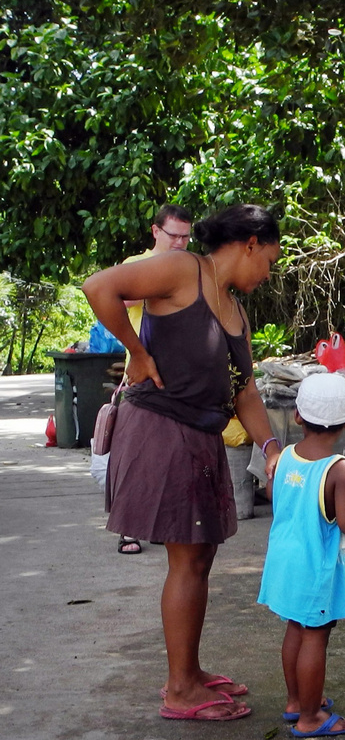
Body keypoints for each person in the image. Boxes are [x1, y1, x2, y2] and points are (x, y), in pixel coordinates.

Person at [82, 204, 285, 722]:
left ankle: (190, 672)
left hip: (201, 437)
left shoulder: (236, 312)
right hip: (161, 429)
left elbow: (247, 395)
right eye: (269, 261)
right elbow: (98, 286)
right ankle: (179, 690)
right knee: (186, 561)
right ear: (252, 243)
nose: (267, 274)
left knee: (199, 559)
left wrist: (270, 448)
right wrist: (137, 351)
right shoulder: (182, 269)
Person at [256, 373, 345, 737]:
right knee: (316, 635)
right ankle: (310, 719)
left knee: (294, 626)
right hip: (314, 565)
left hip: (283, 559)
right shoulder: (340, 469)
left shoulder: (285, 455)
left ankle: (296, 701)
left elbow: (274, 494)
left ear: (298, 417)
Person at [114, 204, 194, 555]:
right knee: (136, 457)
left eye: (185, 236)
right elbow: (117, 295)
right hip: (143, 373)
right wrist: (163, 285)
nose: (180, 242)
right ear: (155, 232)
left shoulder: (192, 267)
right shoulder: (136, 265)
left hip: (182, 375)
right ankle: (128, 529)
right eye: (173, 234)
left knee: (173, 459)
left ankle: (161, 524)